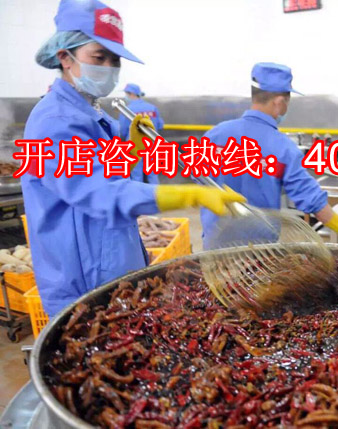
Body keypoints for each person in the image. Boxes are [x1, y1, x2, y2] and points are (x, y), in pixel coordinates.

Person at [21, 0, 245, 317]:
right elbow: (97, 191)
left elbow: (106, 174)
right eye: (99, 57)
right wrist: (187, 194)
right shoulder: (55, 121)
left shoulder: (92, 114)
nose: (109, 67)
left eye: (115, 60)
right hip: (83, 284)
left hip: (111, 267)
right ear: (65, 57)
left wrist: (132, 152)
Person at [201, 62, 338, 247]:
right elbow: (311, 198)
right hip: (259, 251)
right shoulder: (282, 148)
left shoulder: (214, 135)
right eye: (287, 102)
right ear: (279, 102)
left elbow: (199, 179)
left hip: (214, 245)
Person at [119, 83, 164, 184]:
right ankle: (155, 193)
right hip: (152, 143)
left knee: (136, 175)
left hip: (135, 145)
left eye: (126, 94)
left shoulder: (127, 110)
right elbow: (160, 125)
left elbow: (123, 130)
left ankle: (138, 194)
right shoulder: (152, 108)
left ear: (131, 94)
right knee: (153, 173)